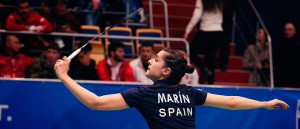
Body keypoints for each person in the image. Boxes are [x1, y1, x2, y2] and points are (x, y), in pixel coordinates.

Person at [54, 48, 289, 129]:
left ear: (165, 71)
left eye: (156, 59)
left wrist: (65, 76)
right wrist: (264, 104)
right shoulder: (189, 93)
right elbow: (232, 102)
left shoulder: (144, 94)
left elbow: (95, 102)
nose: (149, 61)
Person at [183, 0, 224, 84]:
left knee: (190, 51)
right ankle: (211, 84)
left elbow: (196, 15)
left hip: (206, 31)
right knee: (210, 58)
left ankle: (204, 69)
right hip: (218, 32)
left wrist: (187, 31)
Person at [275, 22, 300, 88]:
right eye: (285, 30)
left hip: (295, 78)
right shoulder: (280, 44)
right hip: (282, 78)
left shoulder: (298, 44)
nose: (287, 32)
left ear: (294, 31)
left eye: (289, 30)